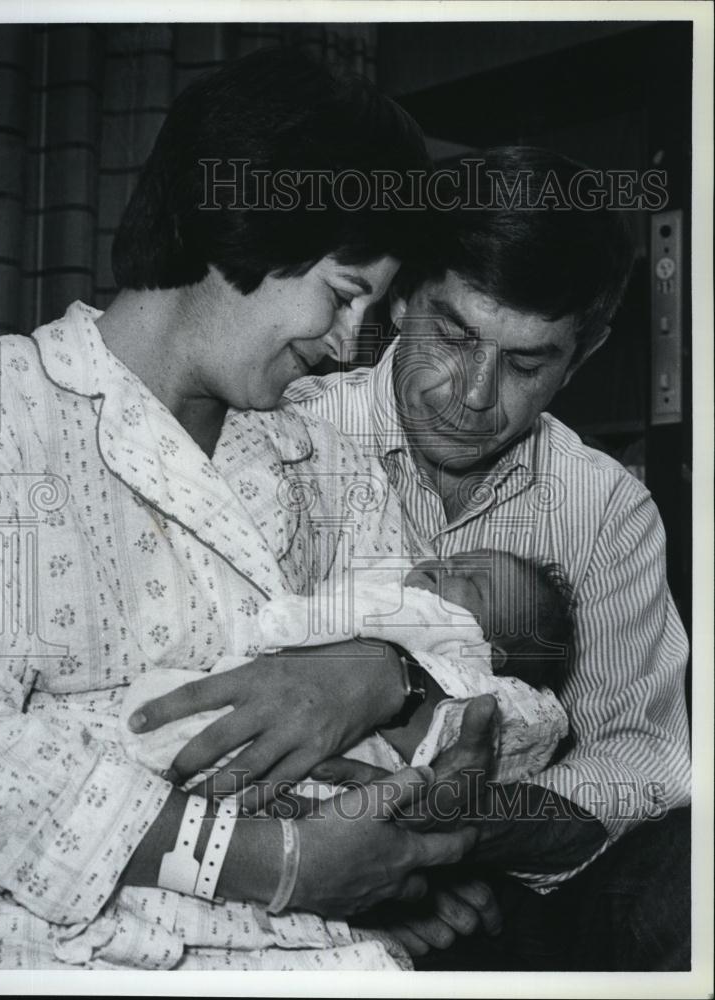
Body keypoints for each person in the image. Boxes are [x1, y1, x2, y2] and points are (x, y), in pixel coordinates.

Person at [0, 49, 497, 971]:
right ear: (249, 224)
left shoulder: (317, 451)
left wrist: (383, 676)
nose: (347, 345)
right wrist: (281, 870)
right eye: (344, 292)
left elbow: (475, 679)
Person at [132, 146, 690, 968]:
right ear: (397, 301)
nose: (471, 394)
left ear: (589, 352)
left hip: (510, 868)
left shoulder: (608, 510)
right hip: (271, 851)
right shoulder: (283, 437)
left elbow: (643, 755)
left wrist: (459, 834)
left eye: (527, 362)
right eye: (453, 333)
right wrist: (334, 870)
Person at [119, 548, 575, 791]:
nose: (444, 566)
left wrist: (290, 622)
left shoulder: (441, 622)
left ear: (491, 652)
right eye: (455, 558)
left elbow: (358, 613)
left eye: (471, 581)